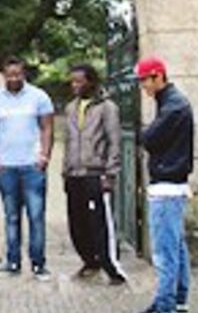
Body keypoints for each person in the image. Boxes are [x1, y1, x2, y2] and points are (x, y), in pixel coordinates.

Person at [0, 56, 55, 281]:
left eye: (18, 74)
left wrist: (44, 156)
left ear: (24, 74)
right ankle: (12, 262)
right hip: (7, 167)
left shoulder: (39, 97)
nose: (14, 78)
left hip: (33, 166)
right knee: (11, 216)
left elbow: (47, 128)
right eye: (9, 75)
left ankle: (38, 264)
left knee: (36, 216)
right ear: (3, 75)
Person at [133, 56, 193, 313]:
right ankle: (178, 298)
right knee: (176, 246)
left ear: (158, 76)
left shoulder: (173, 107)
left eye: (144, 80)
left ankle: (166, 304)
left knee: (165, 252)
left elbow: (149, 139)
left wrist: (143, 134)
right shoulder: (170, 102)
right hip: (172, 184)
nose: (142, 87)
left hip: (167, 185)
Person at [61, 63, 128, 284]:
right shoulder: (71, 108)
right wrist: (65, 171)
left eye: (79, 81)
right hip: (74, 174)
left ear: (91, 82)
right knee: (77, 222)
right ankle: (90, 261)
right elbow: (69, 141)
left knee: (99, 222)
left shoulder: (107, 107)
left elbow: (114, 142)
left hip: (95, 173)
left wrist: (110, 173)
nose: (75, 85)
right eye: (72, 81)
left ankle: (111, 268)